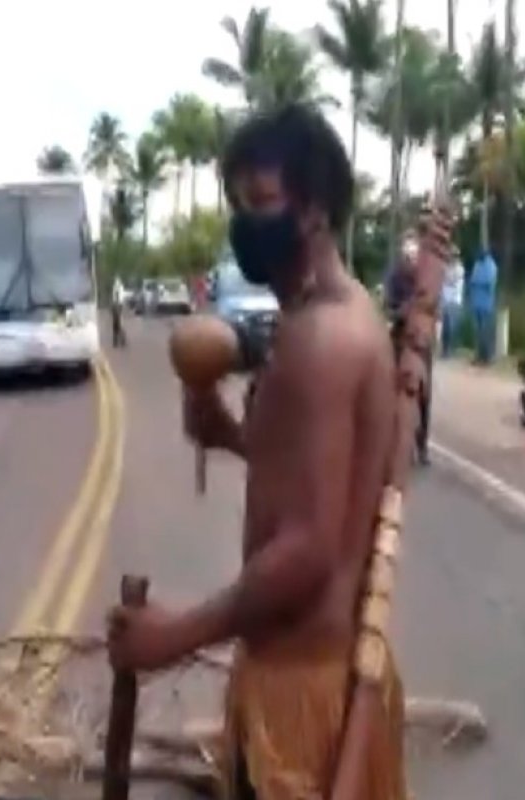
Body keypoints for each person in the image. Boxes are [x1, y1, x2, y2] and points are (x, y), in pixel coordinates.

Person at [107, 105, 405, 800]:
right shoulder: (332, 314)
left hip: (306, 703)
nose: (246, 222)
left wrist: (174, 636)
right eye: (238, 203)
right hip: (310, 677)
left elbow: (306, 550)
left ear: (315, 209)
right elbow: (315, 476)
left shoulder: (319, 340)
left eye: (263, 201)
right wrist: (233, 436)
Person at [386, 234, 432, 467]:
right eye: (408, 253)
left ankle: (421, 445)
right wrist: (405, 309)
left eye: (415, 253)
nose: (412, 257)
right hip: (400, 339)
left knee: (424, 395)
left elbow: (433, 306)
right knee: (400, 391)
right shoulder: (395, 277)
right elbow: (391, 309)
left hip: (422, 341)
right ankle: (396, 444)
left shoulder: (425, 277)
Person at [468, 248, 498, 365]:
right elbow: (472, 280)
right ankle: (478, 356)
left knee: (485, 331)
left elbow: (489, 284)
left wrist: (477, 282)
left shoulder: (491, 266)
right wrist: (477, 282)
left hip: (486, 304)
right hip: (477, 302)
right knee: (477, 332)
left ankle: (487, 357)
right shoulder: (477, 264)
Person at [440, 252, 465, 358]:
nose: (451, 258)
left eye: (453, 256)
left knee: (451, 326)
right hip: (445, 300)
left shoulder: (459, 269)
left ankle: (450, 349)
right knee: (445, 327)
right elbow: (443, 282)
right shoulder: (446, 268)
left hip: (454, 300)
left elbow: (455, 283)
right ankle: (445, 349)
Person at [110, 276, 128, 348]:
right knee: (117, 324)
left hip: (118, 306)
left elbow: (117, 298)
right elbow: (117, 298)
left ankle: (118, 341)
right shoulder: (119, 287)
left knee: (117, 324)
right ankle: (118, 341)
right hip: (118, 306)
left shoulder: (117, 288)